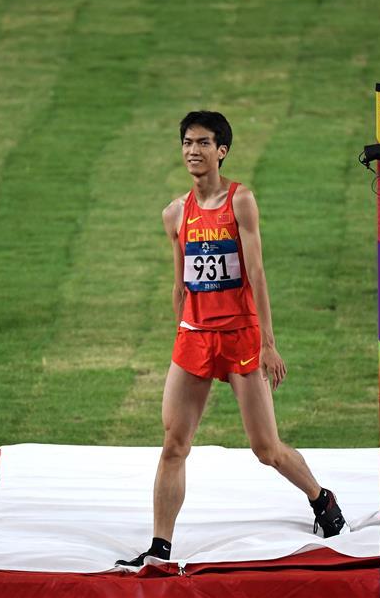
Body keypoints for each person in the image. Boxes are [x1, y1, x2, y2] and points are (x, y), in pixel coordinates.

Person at [116, 111, 348, 570]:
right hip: (195, 339)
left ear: (222, 150)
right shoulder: (174, 213)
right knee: (174, 444)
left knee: (266, 449)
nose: (192, 151)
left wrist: (268, 342)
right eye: (187, 142)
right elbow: (180, 281)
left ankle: (321, 499)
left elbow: (257, 272)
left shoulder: (240, 201)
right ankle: (161, 545)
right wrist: (181, 329)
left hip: (241, 336)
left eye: (203, 143)